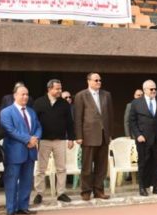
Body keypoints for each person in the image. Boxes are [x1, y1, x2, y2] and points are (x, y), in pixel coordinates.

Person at [0, 85, 41, 215]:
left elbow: (38, 127)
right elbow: (10, 130)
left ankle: (23, 207)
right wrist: (28, 139)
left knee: (27, 181)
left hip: (30, 152)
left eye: (27, 94)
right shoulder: (6, 112)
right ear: (15, 95)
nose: (25, 97)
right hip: (14, 152)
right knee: (11, 181)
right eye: (22, 94)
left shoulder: (31, 111)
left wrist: (35, 138)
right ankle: (10, 209)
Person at [32, 79, 75, 205]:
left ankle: (61, 193)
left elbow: (70, 122)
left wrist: (71, 138)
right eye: (57, 89)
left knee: (61, 168)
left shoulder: (64, 103)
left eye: (60, 88)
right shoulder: (39, 102)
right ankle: (39, 193)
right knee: (41, 169)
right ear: (50, 89)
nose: (60, 91)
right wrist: (34, 138)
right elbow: (34, 122)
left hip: (60, 140)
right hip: (43, 140)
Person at [74, 72, 113, 201]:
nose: (98, 82)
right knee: (87, 166)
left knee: (102, 166)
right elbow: (78, 117)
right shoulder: (81, 95)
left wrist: (109, 134)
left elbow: (110, 116)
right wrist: (79, 135)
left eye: (100, 80)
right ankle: (86, 191)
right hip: (88, 135)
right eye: (96, 80)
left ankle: (99, 191)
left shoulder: (106, 95)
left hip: (103, 135)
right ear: (89, 81)